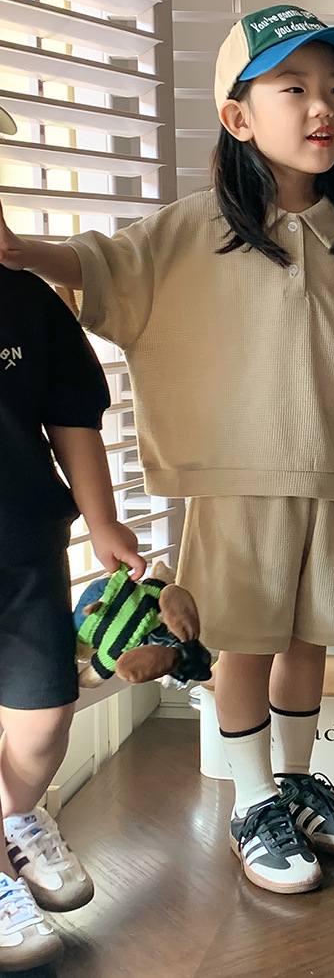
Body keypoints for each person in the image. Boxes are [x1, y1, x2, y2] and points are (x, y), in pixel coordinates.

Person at [0, 3, 334, 896]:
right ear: (238, 117)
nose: (323, 108)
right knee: (242, 639)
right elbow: (105, 266)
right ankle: (252, 797)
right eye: (294, 89)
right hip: (237, 478)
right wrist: (20, 249)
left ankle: (295, 778)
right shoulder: (195, 228)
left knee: (311, 636)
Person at [0, 263, 146, 969]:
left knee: (45, 719)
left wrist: (103, 521)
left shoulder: (26, 300)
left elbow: (71, 417)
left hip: (25, 549)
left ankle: (16, 817)